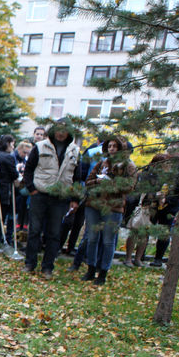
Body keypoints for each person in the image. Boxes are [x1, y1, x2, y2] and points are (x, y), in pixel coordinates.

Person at [22, 120, 82, 278]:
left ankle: (48, 267)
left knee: (54, 233)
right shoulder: (40, 146)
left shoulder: (74, 151)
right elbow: (29, 169)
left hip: (60, 197)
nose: (61, 133)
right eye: (58, 130)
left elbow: (77, 177)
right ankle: (30, 263)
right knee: (34, 230)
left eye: (64, 130)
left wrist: (75, 198)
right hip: (40, 194)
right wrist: (32, 189)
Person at [80, 136, 137, 285]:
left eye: (115, 146)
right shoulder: (101, 163)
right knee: (91, 238)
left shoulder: (129, 166)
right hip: (94, 205)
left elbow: (129, 187)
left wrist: (111, 183)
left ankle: (103, 272)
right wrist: (98, 181)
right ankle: (90, 269)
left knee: (108, 241)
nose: (112, 148)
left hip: (113, 207)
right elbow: (88, 182)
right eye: (109, 146)